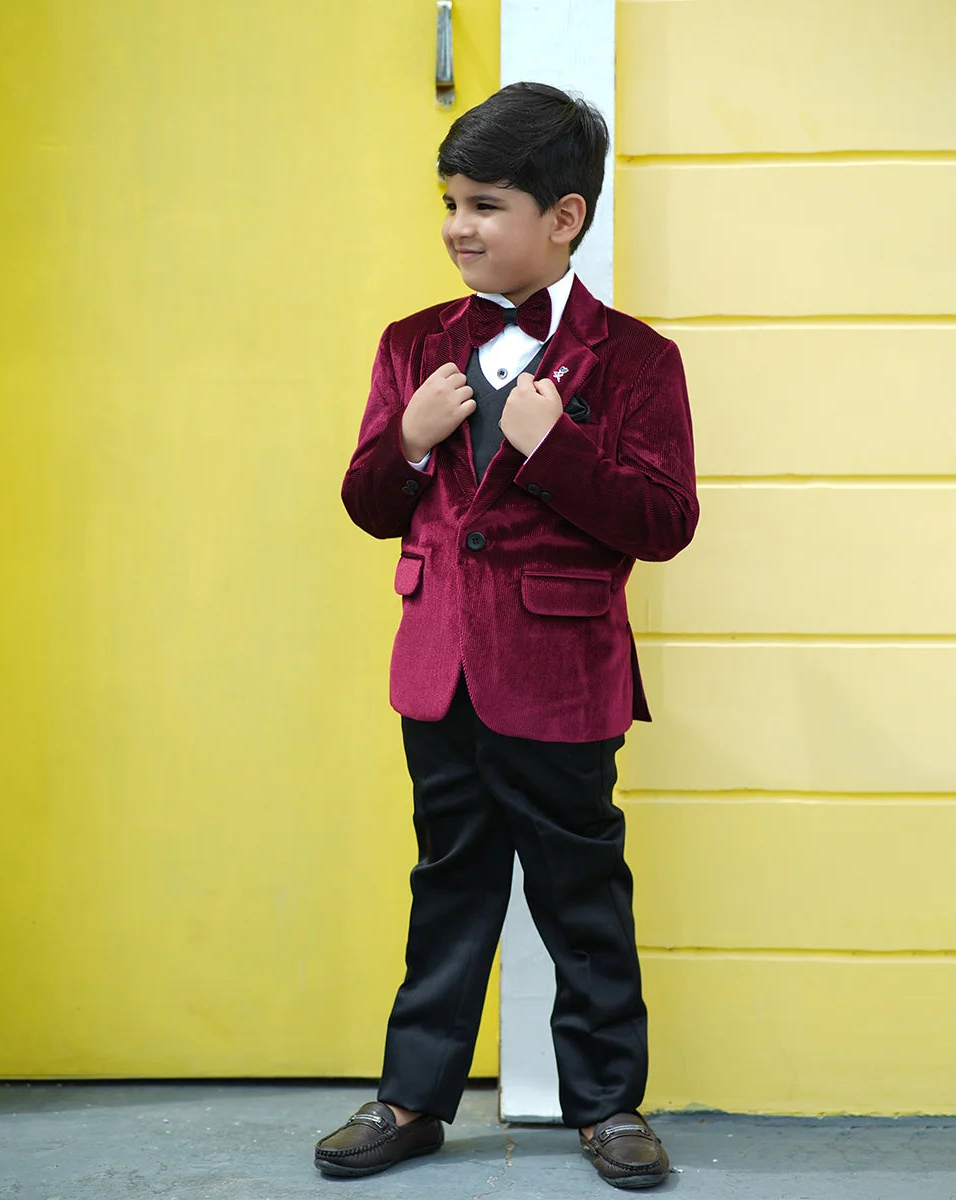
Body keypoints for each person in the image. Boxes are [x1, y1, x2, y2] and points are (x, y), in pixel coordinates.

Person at [315, 81, 698, 1190]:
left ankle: (608, 1105)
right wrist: (409, 438)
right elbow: (367, 500)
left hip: (560, 675)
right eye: (449, 201)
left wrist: (553, 447)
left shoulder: (636, 361)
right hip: (439, 672)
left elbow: (664, 523)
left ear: (562, 217)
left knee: (581, 895)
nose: (457, 226)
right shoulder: (410, 347)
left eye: (485, 204)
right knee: (449, 886)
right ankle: (411, 1100)